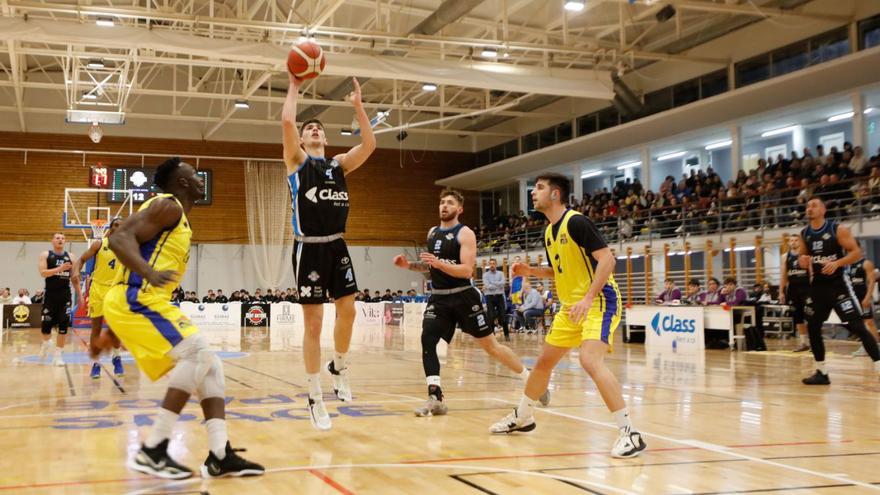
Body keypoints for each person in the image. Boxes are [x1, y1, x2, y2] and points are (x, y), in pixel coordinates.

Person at [100, 157, 263, 479]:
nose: (202, 180)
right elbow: (118, 239)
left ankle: (219, 455)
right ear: (183, 182)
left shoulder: (179, 219)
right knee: (197, 353)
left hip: (146, 300)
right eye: (195, 175)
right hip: (135, 296)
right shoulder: (167, 205)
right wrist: (148, 271)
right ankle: (153, 450)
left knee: (211, 365)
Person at [489, 173, 646, 459]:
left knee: (589, 360)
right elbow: (558, 272)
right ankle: (523, 416)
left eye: (539, 188)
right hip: (570, 306)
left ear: (555, 194)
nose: (533, 192)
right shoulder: (549, 232)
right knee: (543, 363)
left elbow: (607, 259)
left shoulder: (576, 222)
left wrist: (588, 298)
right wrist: (531, 271)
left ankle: (630, 433)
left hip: (599, 301)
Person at [393, 189, 549, 417]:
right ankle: (435, 398)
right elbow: (432, 265)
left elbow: (466, 270)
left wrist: (439, 263)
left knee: (491, 347)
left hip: (463, 296)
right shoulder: (432, 233)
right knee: (428, 339)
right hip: (439, 297)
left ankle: (532, 380)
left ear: (460, 209)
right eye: (442, 202)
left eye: (450, 203)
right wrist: (409, 266)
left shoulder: (465, 233)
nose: (444, 206)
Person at [282, 70, 376, 431]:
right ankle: (314, 394)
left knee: (348, 312)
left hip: (337, 244)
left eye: (318, 128)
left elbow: (369, 146)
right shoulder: (297, 162)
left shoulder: (339, 165)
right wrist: (294, 84)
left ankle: (339, 365)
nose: (314, 130)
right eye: (309, 128)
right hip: (309, 249)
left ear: (325, 137)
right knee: (314, 323)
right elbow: (287, 121)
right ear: (302, 139)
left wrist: (358, 108)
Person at [798, 197, 880, 384]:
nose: (810, 208)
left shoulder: (837, 229)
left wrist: (837, 263)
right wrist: (803, 260)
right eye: (808, 206)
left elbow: (856, 253)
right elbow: (804, 257)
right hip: (818, 287)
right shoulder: (804, 233)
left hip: (838, 286)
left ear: (823, 210)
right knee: (813, 327)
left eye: (814, 205)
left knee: (858, 327)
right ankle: (821, 372)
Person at [72, 217, 125, 379]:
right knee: (96, 328)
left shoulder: (128, 247)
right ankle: (96, 362)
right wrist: (76, 271)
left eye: (122, 226)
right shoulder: (100, 244)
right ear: (110, 228)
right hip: (98, 289)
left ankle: (116, 357)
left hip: (116, 289)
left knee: (116, 327)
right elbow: (81, 259)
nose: (119, 227)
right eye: (116, 225)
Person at [38, 232, 82, 366]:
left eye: (63, 238)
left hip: (65, 296)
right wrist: (60, 268)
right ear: (53, 241)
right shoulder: (46, 254)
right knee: (46, 327)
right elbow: (43, 273)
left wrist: (80, 295)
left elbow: (74, 278)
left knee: (63, 326)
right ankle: (46, 343)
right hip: (50, 296)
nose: (60, 240)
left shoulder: (71, 257)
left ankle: (58, 356)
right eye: (58, 238)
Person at [780, 235, 811, 352]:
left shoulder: (806, 255)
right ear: (789, 243)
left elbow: (811, 273)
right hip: (793, 289)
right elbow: (783, 275)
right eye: (791, 240)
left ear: (800, 242)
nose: (793, 242)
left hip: (806, 288)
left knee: (811, 315)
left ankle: (814, 341)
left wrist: (814, 289)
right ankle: (804, 343)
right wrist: (781, 292)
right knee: (798, 317)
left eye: (796, 240)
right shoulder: (785, 257)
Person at [848, 249, 878, 357]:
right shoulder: (850, 265)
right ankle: (866, 346)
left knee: (869, 322)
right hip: (854, 299)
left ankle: (876, 347)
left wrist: (867, 298)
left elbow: (871, 282)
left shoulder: (866, 263)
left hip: (864, 297)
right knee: (860, 324)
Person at [482, 259, 509, 340]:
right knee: (491, 316)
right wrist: (497, 284)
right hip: (489, 297)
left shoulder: (501, 273)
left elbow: (503, 284)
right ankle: (492, 335)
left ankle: (506, 335)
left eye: (493, 263)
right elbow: (487, 285)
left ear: (496, 265)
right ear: (489, 265)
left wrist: (492, 283)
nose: (492, 265)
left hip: (499, 296)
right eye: (490, 264)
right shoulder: (485, 275)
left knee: (503, 316)